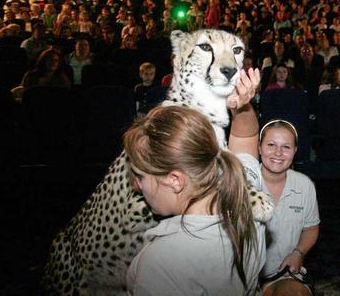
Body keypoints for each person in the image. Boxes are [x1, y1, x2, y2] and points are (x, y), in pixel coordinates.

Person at [125, 68, 267, 296]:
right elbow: (246, 137)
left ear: (175, 180)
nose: (135, 185)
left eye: (140, 176)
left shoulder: (160, 265)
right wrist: (241, 105)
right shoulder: (247, 204)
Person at [254, 119, 320, 296]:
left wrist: (299, 252)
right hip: (242, 274)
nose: (278, 152)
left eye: (286, 147)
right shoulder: (244, 183)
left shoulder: (304, 185)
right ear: (259, 148)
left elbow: (311, 228)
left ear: (295, 151)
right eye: (271, 145)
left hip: (284, 273)